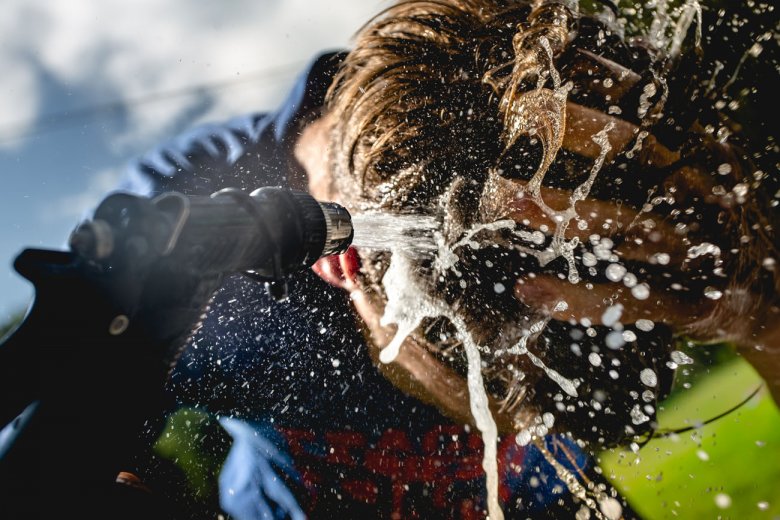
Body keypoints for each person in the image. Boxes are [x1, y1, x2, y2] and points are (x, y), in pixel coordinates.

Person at [112, 0, 777, 518]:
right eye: (493, 403)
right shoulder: (181, 253)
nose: (519, 436)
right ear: (345, 267)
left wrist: (762, 318)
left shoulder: (604, 210)